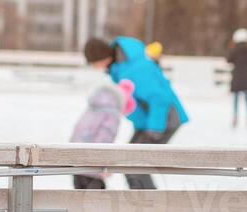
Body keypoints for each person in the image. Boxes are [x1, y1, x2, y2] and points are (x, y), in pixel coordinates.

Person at [82, 36, 189, 190]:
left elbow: (159, 99)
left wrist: (154, 129)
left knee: (136, 167)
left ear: (101, 58)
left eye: (93, 63)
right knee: (129, 164)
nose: (94, 67)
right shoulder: (120, 66)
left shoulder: (134, 68)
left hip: (163, 121)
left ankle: (150, 206)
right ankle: (143, 203)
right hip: (147, 123)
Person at [69, 78, 136, 190]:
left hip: (77, 159)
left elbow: (78, 132)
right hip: (91, 165)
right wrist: (103, 165)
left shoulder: (94, 107)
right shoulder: (112, 114)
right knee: (98, 201)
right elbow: (103, 141)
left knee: (80, 199)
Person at [227, 28, 247, 127]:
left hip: (236, 78)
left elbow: (228, 59)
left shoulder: (235, 51)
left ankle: (235, 117)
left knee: (236, 99)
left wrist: (231, 48)